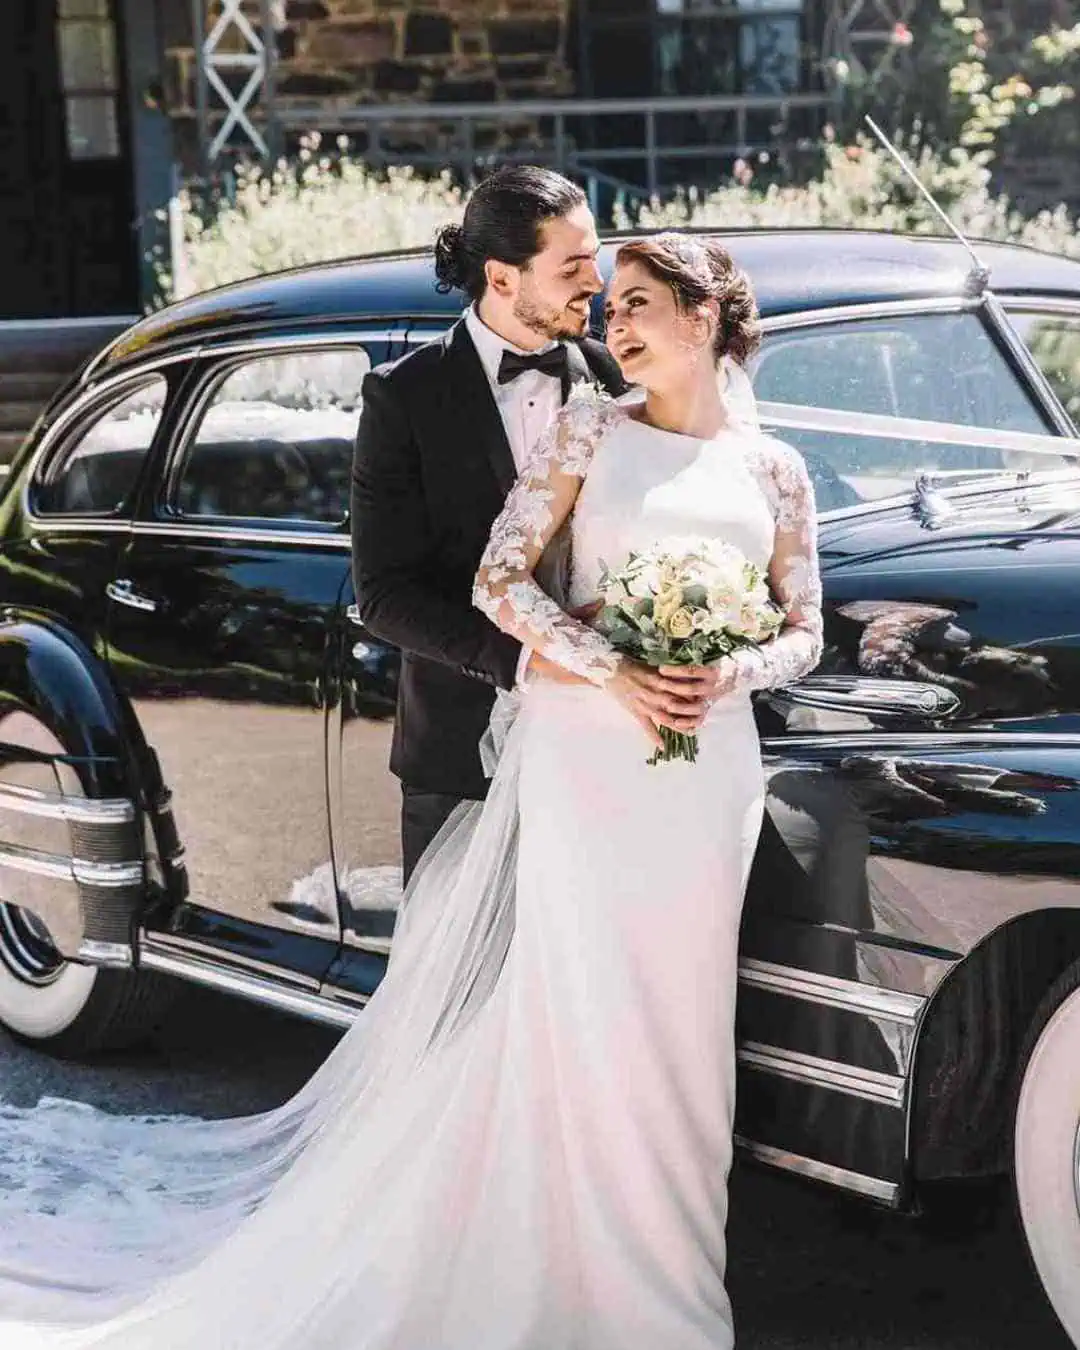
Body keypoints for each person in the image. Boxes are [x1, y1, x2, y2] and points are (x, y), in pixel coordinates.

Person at [0, 230, 822, 1349]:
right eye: (609, 301)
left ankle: (678, 1295)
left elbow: (804, 627)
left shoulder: (778, 468)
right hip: (589, 755)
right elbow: (496, 578)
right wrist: (611, 665)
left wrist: (731, 665)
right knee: (583, 1016)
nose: (611, 323)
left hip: (706, 771)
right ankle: (583, 1287)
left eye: (636, 304)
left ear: (710, 315)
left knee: (686, 1028)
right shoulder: (591, 426)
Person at [350, 164, 639, 884]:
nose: (596, 283)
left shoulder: (616, 379)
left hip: (601, 751)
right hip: (459, 755)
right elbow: (383, 594)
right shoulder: (404, 398)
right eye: (573, 265)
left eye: (595, 260)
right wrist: (522, 661)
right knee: (454, 988)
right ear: (502, 277)